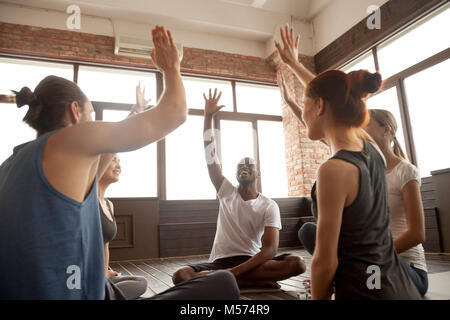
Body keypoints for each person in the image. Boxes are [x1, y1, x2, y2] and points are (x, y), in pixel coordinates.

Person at [0, 25, 239, 300]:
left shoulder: (13, 163)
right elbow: (174, 113)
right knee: (224, 284)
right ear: (75, 112)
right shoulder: (72, 139)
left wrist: (136, 111)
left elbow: (108, 150)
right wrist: (171, 68)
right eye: (91, 114)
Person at [275, 25, 422, 299]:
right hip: (399, 288)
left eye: (305, 105)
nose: (303, 114)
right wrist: (295, 64)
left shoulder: (333, 169)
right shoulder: (371, 149)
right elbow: (334, 94)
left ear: (319, 106)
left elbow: (324, 261)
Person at [172, 88, 306, 289]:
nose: (244, 166)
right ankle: (248, 282)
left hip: (252, 261)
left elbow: (270, 249)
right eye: (240, 165)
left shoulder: (269, 205)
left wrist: (232, 273)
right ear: (235, 174)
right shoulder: (226, 191)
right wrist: (208, 116)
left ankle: (230, 280)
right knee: (181, 275)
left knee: (298, 263)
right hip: (219, 262)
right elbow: (210, 155)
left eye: (249, 164)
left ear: (257, 173)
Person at [365, 109, 428, 296]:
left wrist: (377, 255)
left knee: (371, 268)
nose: (359, 132)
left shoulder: (406, 172)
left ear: (386, 130)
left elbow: (417, 234)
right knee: (310, 231)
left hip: (408, 268)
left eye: (366, 126)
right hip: (374, 264)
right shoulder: (367, 172)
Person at [98, 154, 148, 299]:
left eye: (119, 161)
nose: (119, 166)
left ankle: (107, 291)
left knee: (141, 282)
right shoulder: (87, 201)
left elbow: (105, 245)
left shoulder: (108, 204)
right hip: (85, 277)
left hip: (100, 276)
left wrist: (104, 272)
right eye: (113, 160)